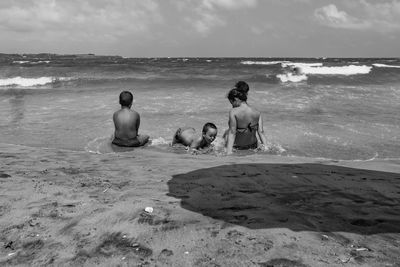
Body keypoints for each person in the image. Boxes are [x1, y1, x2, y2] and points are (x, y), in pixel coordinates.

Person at [225, 88, 267, 155]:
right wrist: (266, 148)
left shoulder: (233, 112)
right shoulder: (257, 112)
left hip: (238, 148)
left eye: (232, 103)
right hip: (253, 147)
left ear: (236, 99)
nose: (232, 106)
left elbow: (232, 133)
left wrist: (228, 152)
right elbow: (261, 132)